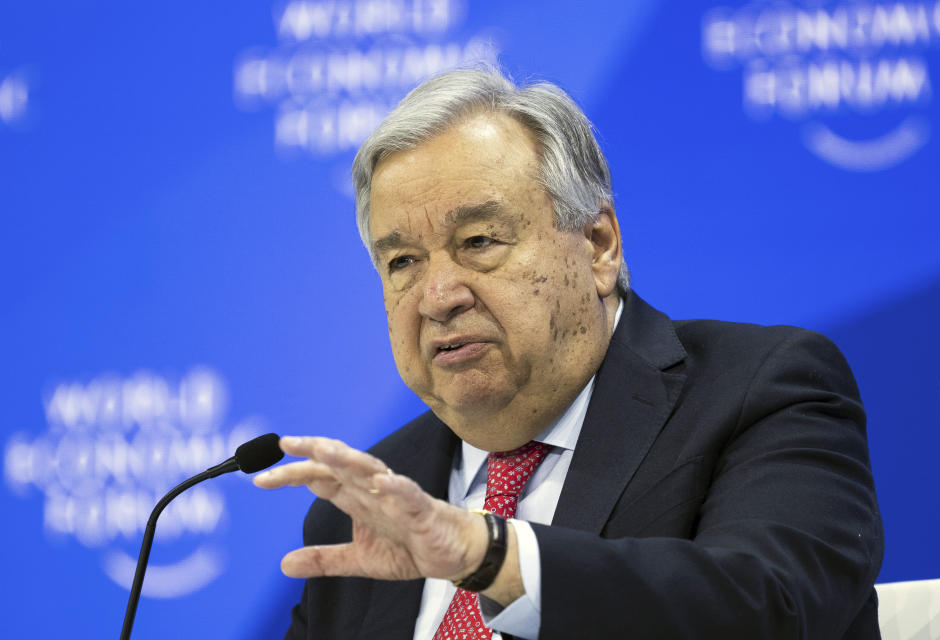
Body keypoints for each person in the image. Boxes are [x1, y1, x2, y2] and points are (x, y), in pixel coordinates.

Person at [254, 66, 883, 639]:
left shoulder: (758, 390)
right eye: (403, 262)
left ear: (598, 245)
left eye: (478, 240)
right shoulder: (370, 505)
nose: (437, 296)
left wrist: (488, 554)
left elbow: (770, 608)